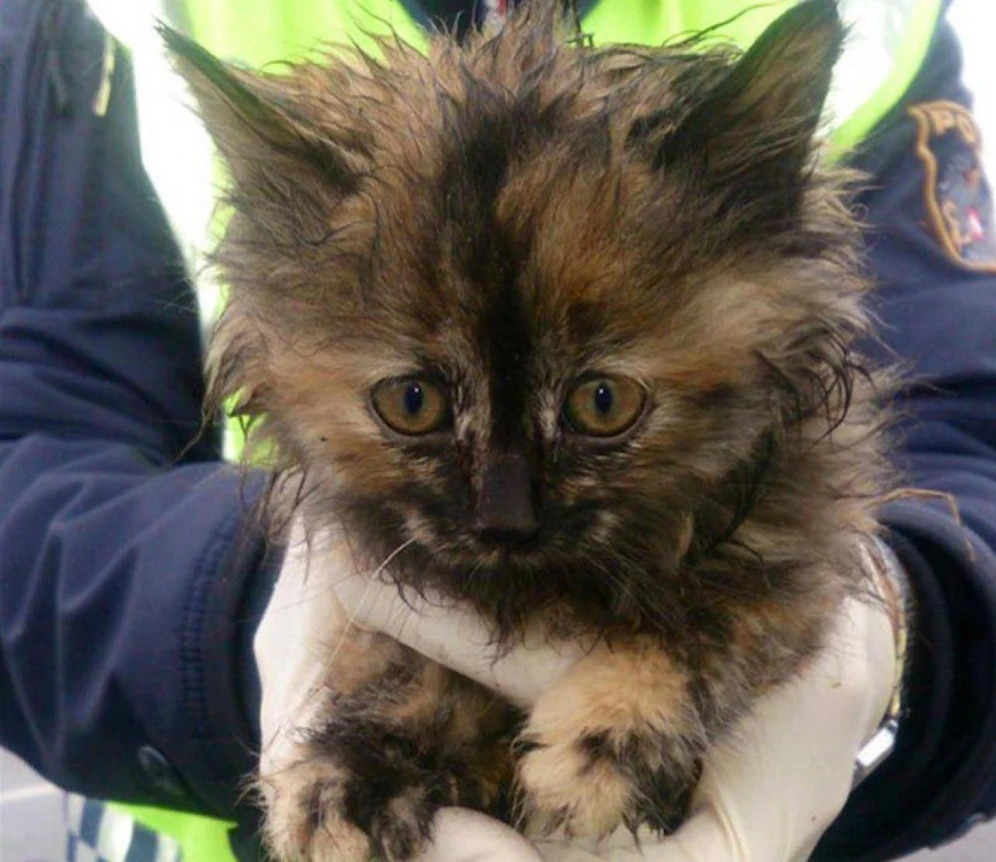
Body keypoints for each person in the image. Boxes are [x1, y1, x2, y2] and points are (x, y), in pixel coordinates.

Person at [1, 0, 995, 861]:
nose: (504, 511)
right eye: (415, 407)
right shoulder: (103, 27)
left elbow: (973, 441)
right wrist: (249, 619)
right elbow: (27, 478)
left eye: (603, 406)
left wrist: (903, 634)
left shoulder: (886, 32)